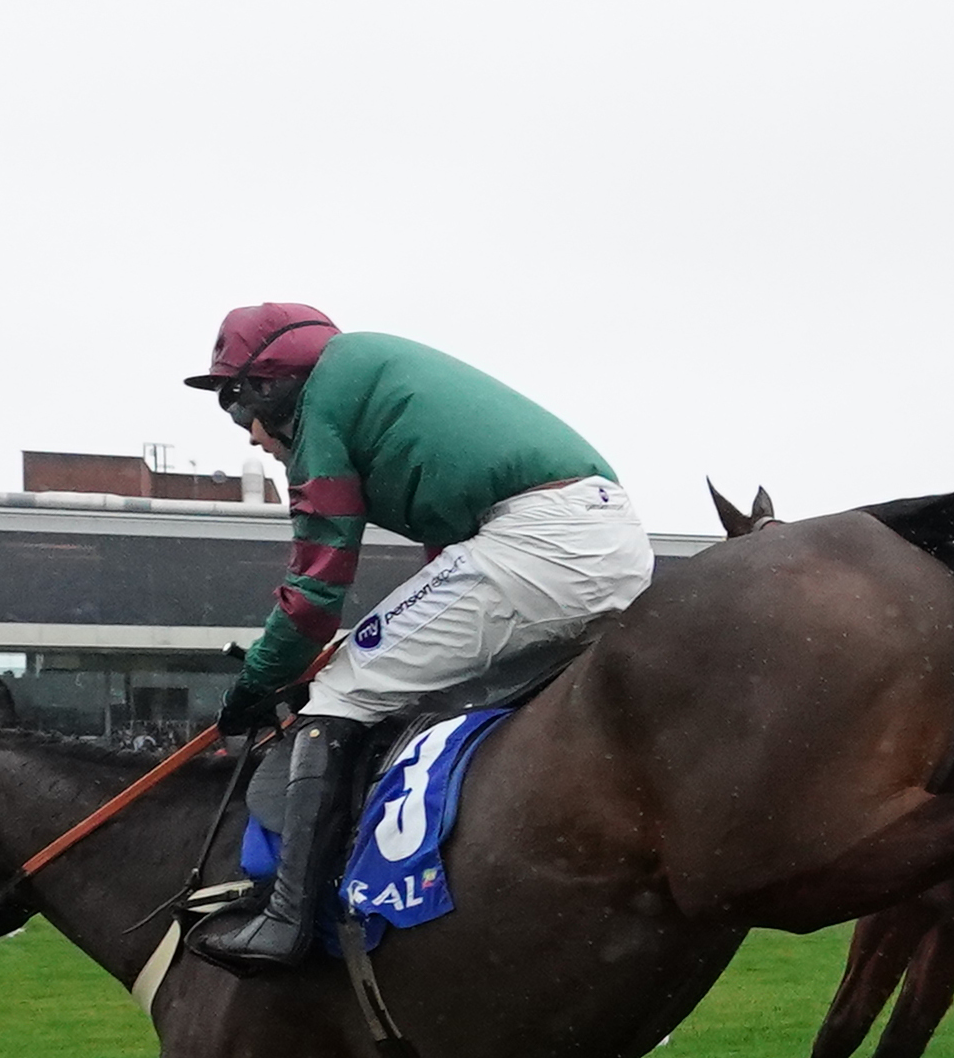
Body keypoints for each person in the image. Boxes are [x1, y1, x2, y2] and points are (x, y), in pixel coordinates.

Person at [177, 301, 650, 973]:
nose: (249, 435)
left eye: (234, 404)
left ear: (270, 385)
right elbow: (444, 555)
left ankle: (287, 920)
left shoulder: (323, 411)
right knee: (405, 680)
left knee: (342, 692)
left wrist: (258, 682)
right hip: (606, 537)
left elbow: (316, 586)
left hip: (542, 545)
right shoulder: (371, 379)